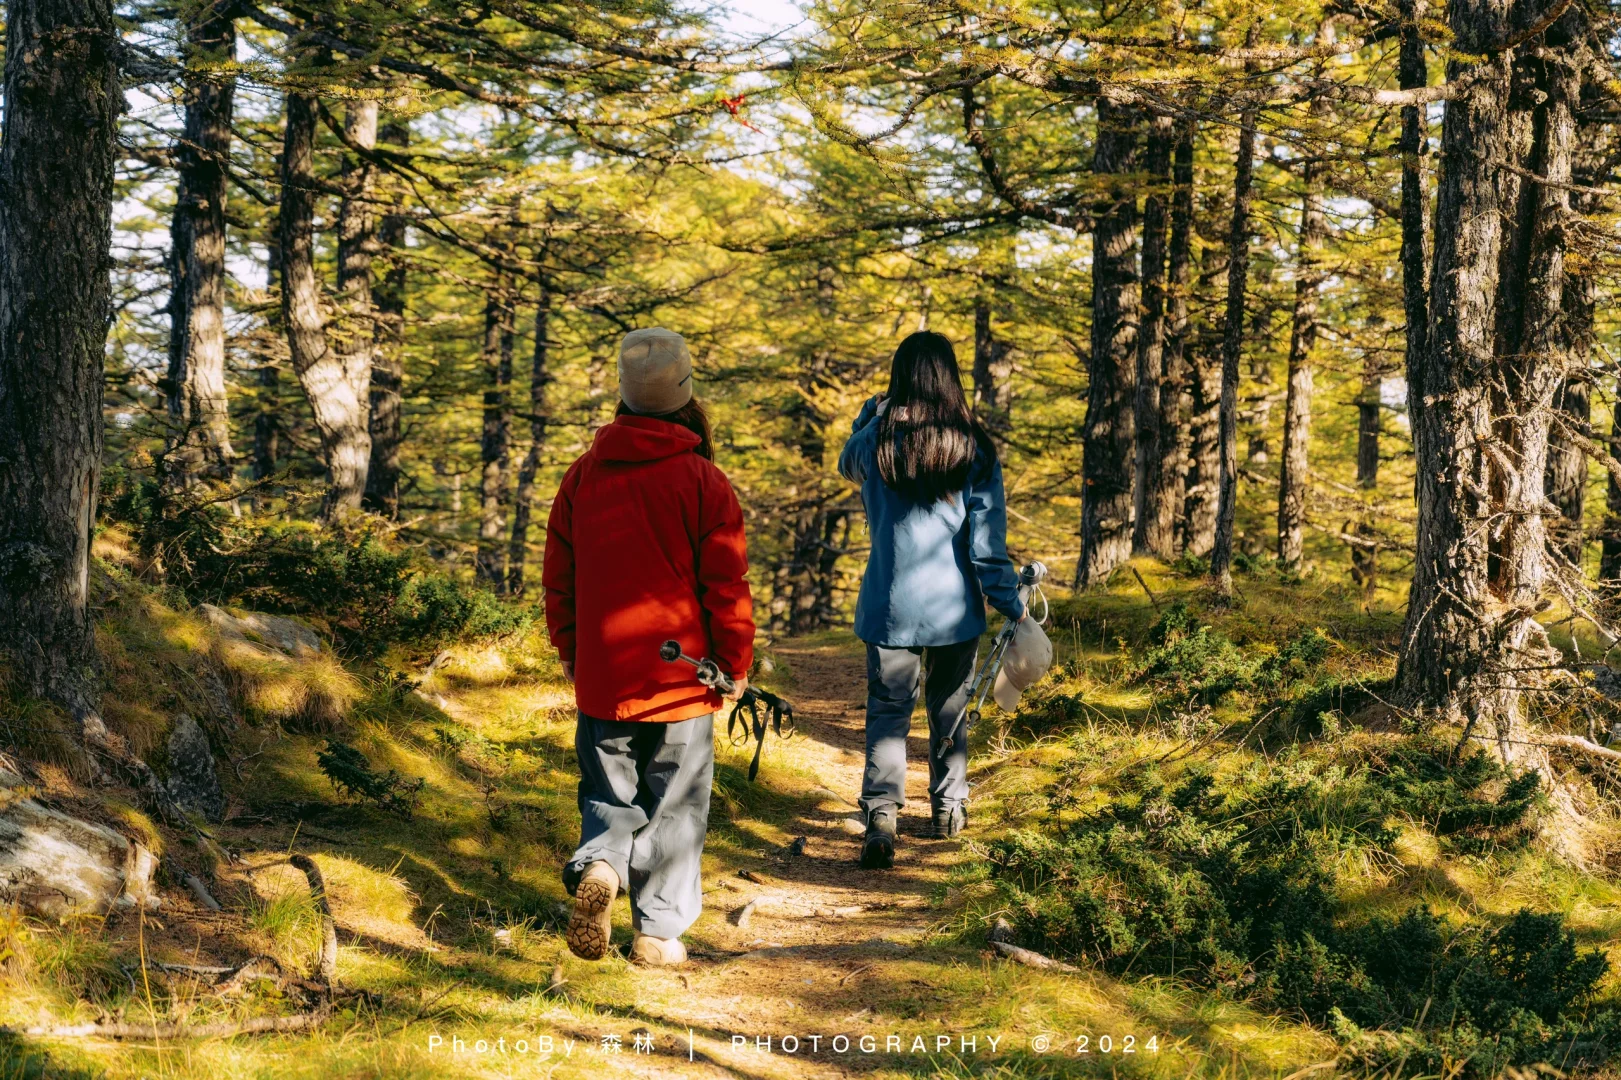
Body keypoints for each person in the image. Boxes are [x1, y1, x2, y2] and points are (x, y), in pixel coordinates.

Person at [543, 327, 754, 966]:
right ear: (686, 395)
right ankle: (657, 934)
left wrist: (571, 651)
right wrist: (735, 664)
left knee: (609, 793)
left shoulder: (583, 476)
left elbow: (559, 577)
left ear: (624, 394)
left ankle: (603, 864)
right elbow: (727, 586)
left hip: (605, 674)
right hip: (683, 678)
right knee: (675, 805)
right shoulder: (705, 481)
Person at [838, 330, 1025, 869]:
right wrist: (1010, 604)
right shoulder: (974, 447)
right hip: (954, 611)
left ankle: (881, 815)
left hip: (889, 606)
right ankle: (948, 809)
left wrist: (870, 414)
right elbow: (987, 548)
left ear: (899, 380)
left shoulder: (875, 442)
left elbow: (847, 463)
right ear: (950, 379)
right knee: (949, 709)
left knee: (888, 711)